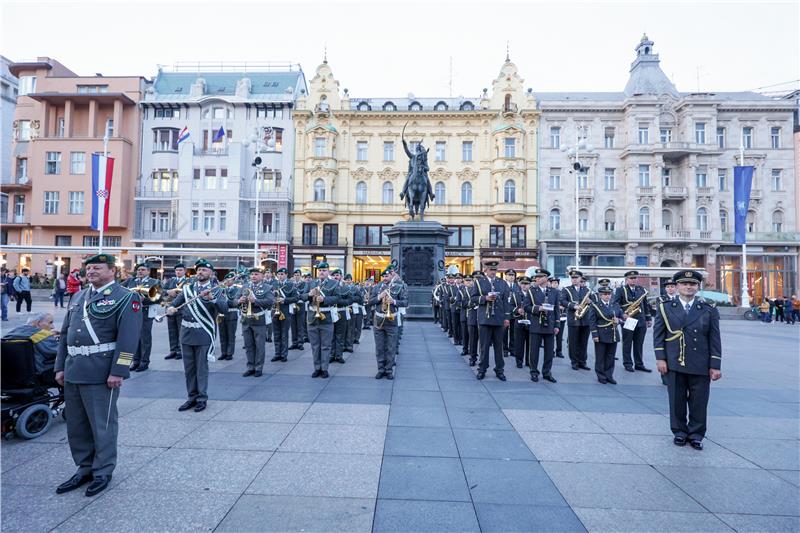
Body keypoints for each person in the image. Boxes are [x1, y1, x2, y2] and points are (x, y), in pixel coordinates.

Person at [54, 253, 142, 497]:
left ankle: (102, 470)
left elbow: (129, 339)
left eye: (97, 268)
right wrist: (59, 366)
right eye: (89, 268)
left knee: (102, 425)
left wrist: (119, 370)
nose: (91, 271)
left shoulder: (126, 298)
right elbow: (65, 334)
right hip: (73, 369)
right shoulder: (79, 295)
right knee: (77, 424)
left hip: (101, 372)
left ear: (112, 271)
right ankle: (84, 467)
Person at [653, 270, 722, 450]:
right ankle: (680, 432)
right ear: (676, 287)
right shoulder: (665, 307)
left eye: (692, 284)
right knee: (676, 400)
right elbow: (659, 335)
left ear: (698, 287)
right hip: (675, 361)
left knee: (699, 401)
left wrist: (715, 365)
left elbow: (715, 338)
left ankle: (696, 434)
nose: (688, 287)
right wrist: (660, 359)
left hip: (700, 362)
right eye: (684, 284)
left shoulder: (709, 309)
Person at [165, 260, 227, 412]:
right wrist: (171, 308)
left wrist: (212, 298)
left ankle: (201, 398)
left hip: (203, 333)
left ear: (210, 273)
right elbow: (176, 302)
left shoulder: (217, 289)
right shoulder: (188, 289)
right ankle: (191, 397)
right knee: (189, 369)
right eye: (199, 270)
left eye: (204, 270)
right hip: (186, 333)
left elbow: (224, 308)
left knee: (201, 368)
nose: (200, 272)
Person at [469, 259, 509, 381]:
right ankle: (482, 369)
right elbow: (473, 298)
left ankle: (499, 370)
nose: (493, 272)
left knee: (498, 346)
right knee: (484, 346)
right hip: (485, 319)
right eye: (491, 270)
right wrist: (485, 298)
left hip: (498, 319)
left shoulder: (502, 283)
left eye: (495, 270)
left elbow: (506, 302)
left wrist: (507, 318)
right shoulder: (479, 282)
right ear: (485, 270)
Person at [301, 262, 340, 378]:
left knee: (326, 345)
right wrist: (309, 294)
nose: (321, 272)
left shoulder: (334, 283)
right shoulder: (311, 283)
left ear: (328, 271)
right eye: (319, 270)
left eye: (324, 270)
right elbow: (301, 297)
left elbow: (337, 298)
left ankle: (324, 368)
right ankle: (316, 368)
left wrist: (325, 299)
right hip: (313, 317)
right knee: (315, 345)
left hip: (326, 317)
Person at [522, 269, 560, 383]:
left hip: (550, 325)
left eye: (539, 277)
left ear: (545, 278)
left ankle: (547, 372)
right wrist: (539, 308)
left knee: (549, 352)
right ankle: (534, 372)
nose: (536, 279)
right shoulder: (531, 291)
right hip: (536, 325)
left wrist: (557, 325)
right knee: (534, 351)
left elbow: (557, 309)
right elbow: (526, 307)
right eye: (536, 277)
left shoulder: (554, 291)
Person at [370, 268, 407, 379]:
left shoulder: (398, 287)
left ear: (391, 276)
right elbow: (369, 301)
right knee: (380, 347)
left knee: (391, 347)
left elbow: (405, 302)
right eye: (384, 276)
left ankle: (389, 370)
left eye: (387, 276)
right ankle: (381, 369)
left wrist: (394, 301)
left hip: (392, 320)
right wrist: (379, 297)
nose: (385, 278)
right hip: (379, 320)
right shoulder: (377, 287)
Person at [613, 270, 653, 373]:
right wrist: (622, 314)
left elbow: (645, 305)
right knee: (627, 343)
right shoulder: (620, 290)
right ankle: (628, 363)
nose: (633, 280)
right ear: (627, 279)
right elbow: (615, 304)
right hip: (628, 320)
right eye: (631, 278)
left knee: (639, 344)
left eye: (635, 278)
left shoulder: (641, 289)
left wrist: (648, 318)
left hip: (640, 320)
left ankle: (639, 364)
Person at [123, 263, 159, 372]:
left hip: (145, 312)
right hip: (132, 312)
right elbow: (119, 289)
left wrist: (144, 300)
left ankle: (144, 361)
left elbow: (157, 297)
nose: (140, 271)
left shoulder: (154, 282)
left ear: (148, 271)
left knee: (144, 338)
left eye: (143, 270)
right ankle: (135, 361)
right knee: (134, 337)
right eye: (138, 270)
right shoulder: (131, 281)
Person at [3, 312, 59, 382]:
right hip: (38, 373)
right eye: (50, 323)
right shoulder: (42, 335)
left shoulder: (13, 333)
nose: (52, 327)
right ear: (38, 323)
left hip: (9, 376)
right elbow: (57, 352)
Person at [239, 268, 274, 377]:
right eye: (252, 274)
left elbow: (270, 302)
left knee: (259, 346)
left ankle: (258, 368)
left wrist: (256, 301)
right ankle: (250, 367)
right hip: (246, 320)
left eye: (256, 274)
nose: (253, 276)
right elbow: (235, 300)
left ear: (262, 276)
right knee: (248, 345)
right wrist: (239, 300)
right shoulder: (245, 287)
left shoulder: (267, 287)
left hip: (259, 320)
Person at [589, 286, 623, 384]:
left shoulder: (615, 305)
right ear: (600, 295)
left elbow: (622, 317)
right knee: (600, 356)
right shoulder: (595, 306)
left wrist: (619, 320)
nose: (607, 296)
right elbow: (592, 321)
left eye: (609, 294)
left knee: (610, 356)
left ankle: (609, 375)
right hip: (601, 334)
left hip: (613, 334)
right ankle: (601, 375)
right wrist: (595, 335)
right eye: (605, 294)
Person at [561, 270, 591, 371]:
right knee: (573, 342)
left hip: (585, 319)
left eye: (576, 278)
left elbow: (594, 301)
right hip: (573, 319)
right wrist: (573, 306)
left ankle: (583, 361)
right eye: (572, 278)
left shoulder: (586, 290)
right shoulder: (566, 289)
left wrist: (590, 301)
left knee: (584, 342)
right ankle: (574, 362)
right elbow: (563, 301)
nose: (574, 279)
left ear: (580, 279)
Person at [270, 268, 298, 363]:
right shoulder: (274, 284)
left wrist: (284, 300)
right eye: (279, 274)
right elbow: (269, 297)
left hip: (285, 311)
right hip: (275, 311)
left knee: (284, 334)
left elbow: (296, 298)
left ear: (286, 275)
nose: (280, 276)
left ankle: (284, 354)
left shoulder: (291, 284)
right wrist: (273, 298)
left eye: (282, 274)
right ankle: (277, 353)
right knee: (276, 333)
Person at [163, 263, 190, 360]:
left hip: (182, 308)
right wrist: (168, 292)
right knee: (172, 330)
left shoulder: (188, 281)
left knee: (180, 330)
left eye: (180, 270)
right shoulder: (171, 280)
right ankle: (173, 350)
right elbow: (161, 290)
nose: (178, 272)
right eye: (176, 270)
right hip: (170, 307)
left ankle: (180, 350)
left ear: (185, 271)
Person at [328, 269, 351, 364]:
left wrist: (338, 301)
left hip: (341, 312)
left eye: (337, 275)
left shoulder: (345, 287)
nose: (335, 277)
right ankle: (331, 355)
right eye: (333, 276)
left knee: (340, 335)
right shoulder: (329, 287)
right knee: (331, 335)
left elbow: (350, 300)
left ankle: (339, 355)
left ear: (341, 276)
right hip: (331, 312)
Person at [218, 272, 242, 360]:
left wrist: (225, 302)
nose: (227, 281)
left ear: (233, 280)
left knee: (231, 335)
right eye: (226, 280)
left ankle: (229, 353)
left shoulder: (237, 290)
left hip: (231, 313)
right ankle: (223, 352)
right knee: (222, 335)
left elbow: (235, 303)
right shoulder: (221, 289)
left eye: (230, 280)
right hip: (221, 314)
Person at [511, 275, 529, 369]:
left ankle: (529, 361)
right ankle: (519, 361)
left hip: (530, 321)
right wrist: (517, 310)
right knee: (519, 342)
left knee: (530, 342)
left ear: (530, 285)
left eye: (526, 284)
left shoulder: (533, 294)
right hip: (519, 320)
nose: (524, 286)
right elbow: (510, 306)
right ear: (520, 284)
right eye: (523, 284)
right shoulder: (515, 294)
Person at [289, 269, 307, 350]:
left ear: (301, 276)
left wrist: (296, 294)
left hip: (300, 304)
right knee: (293, 325)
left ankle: (300, 342)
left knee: (300, 324)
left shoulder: (304, 283)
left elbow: (304, 292)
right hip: (293, 305)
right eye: (295, 275)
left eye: (298, 275)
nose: (296, 277)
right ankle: (294, 342)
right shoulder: (291, 284)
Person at [464, 273, 481, 366]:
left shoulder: (486, 290)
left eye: (480, 278)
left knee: (483, 341)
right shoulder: (469, 290)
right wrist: (473, 304)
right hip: (473, 317)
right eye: (476, 278)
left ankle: (483, 359)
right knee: (473, 340)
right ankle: (473, 357)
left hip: (484, 318)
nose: (478, 280)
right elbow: (464, 302)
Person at [503, 268, 517, 357]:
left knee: (513, 331)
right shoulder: (503, 285)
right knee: (504, 331)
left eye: (513, 275)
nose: (511, 277)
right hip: (505, 311)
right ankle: (504, 349)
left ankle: (512, 349)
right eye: (509, 275)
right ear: (506, 276)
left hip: (514, 311)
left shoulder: (517, 286)